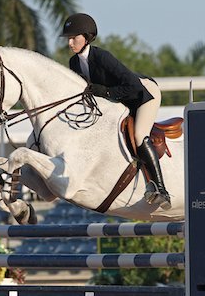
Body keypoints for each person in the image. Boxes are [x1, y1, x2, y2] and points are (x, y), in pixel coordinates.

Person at [60, 13, 171, 209]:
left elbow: (133, 86)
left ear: (87, 37)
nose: (70, 43)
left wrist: (107, 91)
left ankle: (161, 190)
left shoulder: (102, 57)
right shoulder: (74, 63)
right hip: (121, 101)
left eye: (74, 38)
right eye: (68, 38)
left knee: (139, 135)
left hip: (144, 94)